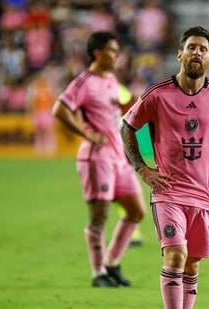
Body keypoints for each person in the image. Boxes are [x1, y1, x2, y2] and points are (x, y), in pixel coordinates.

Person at [121, 25, 209, 309]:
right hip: (168, 191)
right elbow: (127, 127)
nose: (196, 53)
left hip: (205, 194)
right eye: (191, 47)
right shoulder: (157, 94)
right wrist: (141, 168)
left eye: (203, 49)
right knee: (176, 255)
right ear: (180, 54)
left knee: (192, 264)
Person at [52, 31, 146, 287]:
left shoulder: (112, 80)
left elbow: (118, 109)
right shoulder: (84, 82)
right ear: (97, 53)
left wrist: (134, 105)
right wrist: (86, 134)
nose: (117, 55)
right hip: (96, 159)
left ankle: (112, 263)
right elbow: (59, 109)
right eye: (112, 51)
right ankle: (98, 273)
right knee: (99, 215)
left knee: (137, 212)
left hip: (118, 156)